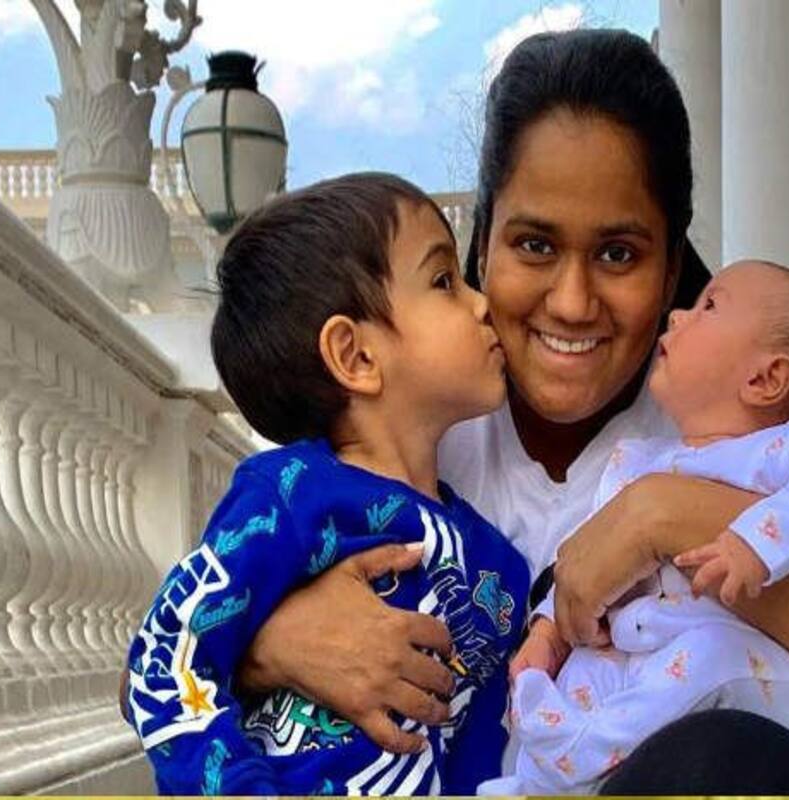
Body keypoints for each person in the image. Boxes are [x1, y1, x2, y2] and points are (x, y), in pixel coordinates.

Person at [126, 28, 789, 794]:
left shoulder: (756, 406)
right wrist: (272, 643)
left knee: (724, 760)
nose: (572, 302)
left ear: (671, 262)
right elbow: (181, 639)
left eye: (619, 253)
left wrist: (657, 516)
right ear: (486, 240)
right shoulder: (407, 423)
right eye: (534, 244)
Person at [124, 174, 529, 795]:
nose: (481, 305)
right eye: (444, 281)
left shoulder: (499, 569)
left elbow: (480, 762)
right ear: (356, 356)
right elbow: (166, 658)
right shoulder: (290, 498)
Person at [481, 260, 789, 794]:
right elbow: (585, 561)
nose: (677, 317)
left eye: (708, 306)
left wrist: (755, 544)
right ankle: (535, 780)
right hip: (648, 663)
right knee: (585, 672)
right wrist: (550, 629)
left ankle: (572, 760)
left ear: (765, 379)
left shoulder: (784, 449)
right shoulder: (640, 461)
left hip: (755, 677)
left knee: (710, 653)